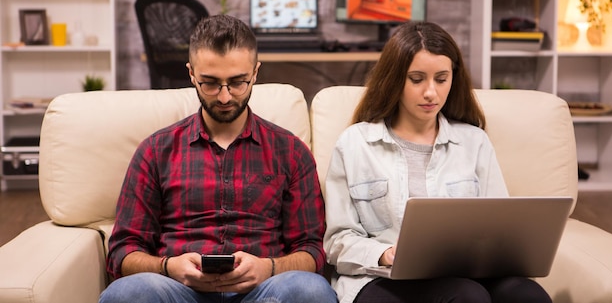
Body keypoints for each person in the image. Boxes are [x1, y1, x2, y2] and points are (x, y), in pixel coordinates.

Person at [100, 15, 337, 303]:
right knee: (128, 293)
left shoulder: (291, 152)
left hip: (263, 293)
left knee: (311, 291)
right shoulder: (155, 151)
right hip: (179, 292)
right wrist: (168, 267)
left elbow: (312, 250)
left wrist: (269, 268)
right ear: (191, 74)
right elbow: (123, 251)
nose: (225, 97)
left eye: (238, 83)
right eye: (210, 84)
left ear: (256, 72)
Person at [323, 21, 552, 303]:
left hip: (465, 274)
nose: (431, 92)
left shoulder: (474, 141)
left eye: (441, 79)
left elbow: (499, 230)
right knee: (468, 297)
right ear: (395, 79)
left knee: (528, 295)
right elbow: (336, 241)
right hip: (381, 278)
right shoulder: (355, 143)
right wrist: (384, 253)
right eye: (416, 79)